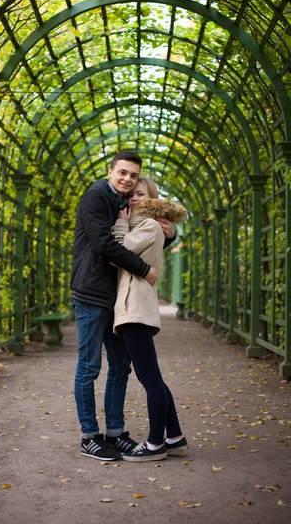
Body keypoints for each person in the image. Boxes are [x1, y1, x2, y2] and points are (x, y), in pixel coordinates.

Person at [71, 151, 176, 461]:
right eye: (123, 173)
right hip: (91, 293)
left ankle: (115, 433)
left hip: (116, 299)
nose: (128, 179)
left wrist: (171, 232)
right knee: (89, 368)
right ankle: (89, 436)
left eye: (133, 175)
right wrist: (144, 270)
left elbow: (146, 231)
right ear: (111, 171)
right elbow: (105, 244)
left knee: (120, 367)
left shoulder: (124, 200)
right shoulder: (96, 195)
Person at [112, 177, 188, 462]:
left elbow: (116, 253)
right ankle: (174, 435)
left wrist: (119, 223)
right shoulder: (151, 226)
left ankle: (155, 444)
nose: (133, 198)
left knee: (150, 379)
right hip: (138, 307)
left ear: (152, 198)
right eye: (130, 194)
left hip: (135, 308)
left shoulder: (147, 225)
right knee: (154, 377)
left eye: (140, 194)